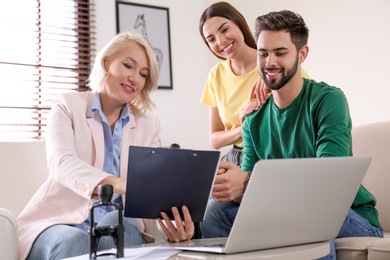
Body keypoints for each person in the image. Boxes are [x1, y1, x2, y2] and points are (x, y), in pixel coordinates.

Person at [200, 10, 383, 260]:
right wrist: (232, 187)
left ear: (302, 54)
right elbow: (250, 195)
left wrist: (246, 183)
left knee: (310, 210)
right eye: (263, 53)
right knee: (216, 210)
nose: (269, 62)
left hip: (346, 215)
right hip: (285, 215)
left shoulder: (328, 100)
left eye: (280, 52)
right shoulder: (253, 120)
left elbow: (327, 184)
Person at [17, 32, 193, 260]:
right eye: (128, 66)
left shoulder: (149, 126)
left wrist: (173, 227)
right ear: (106, 61)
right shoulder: (67, 106)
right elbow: (61, 163)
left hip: (117, 224)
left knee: (123, 223)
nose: (134, 78)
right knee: (75, 241)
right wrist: (119, 184)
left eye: (142, 74)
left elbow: (150, 195)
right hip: (58, 223)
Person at [199, 2, 310, 166]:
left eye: (224, 30)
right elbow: (214, 139)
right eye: (211, 39)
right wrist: (243, 129)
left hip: (273, 155)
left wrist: (272, 77)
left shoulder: (277, 67)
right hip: (236, 156)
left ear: (239, 24)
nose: (221, 41)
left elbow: (306, 111)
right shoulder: (216, 75)